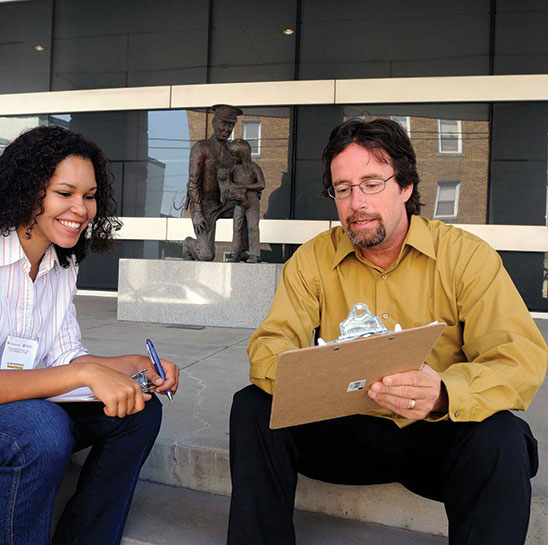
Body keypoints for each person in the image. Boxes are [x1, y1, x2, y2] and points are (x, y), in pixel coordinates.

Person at [227, 118, 547, 545]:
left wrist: (444, 395)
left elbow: (517, 357)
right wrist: (313, 375)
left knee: (503, 438)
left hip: (433, 435)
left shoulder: (467, 257)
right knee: (252, 407)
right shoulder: (312, 260)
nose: (356, 202)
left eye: (372, 183)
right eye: (343, 189)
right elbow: (270, 345)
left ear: (406, 187)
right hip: (344, 429)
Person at [0, 125, 180, 545]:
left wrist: (131, 366)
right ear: (28, 190)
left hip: (1, 421)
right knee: (39, 425)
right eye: (65, 193)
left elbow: (67, 358)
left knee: (139, 406)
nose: (80, 209)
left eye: (90, 195)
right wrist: (87, 376)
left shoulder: (60, 262)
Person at [183, 104, 243, 261]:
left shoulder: (232, 151)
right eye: (223, 124)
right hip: (204, 204)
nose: (226, 129)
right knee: (206, 255)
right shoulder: (201, 148)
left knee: (247, 205)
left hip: (225, 202)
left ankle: (241, 249)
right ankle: (188, 244)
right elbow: (193, 182)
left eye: (231, 125)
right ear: (214, 123)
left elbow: (241, 174)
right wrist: (197, 213)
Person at [224, 139, 265, 263]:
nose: (232, 157)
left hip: (252, 200)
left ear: (243, 155)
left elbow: (262, 184)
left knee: (253, 226)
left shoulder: (253, 168)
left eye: (234, 155)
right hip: (238, 201)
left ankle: (254, 254)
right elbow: (227, 182)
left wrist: (244, 187)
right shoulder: (233, 169)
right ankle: (235, 253)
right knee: (237, 226)